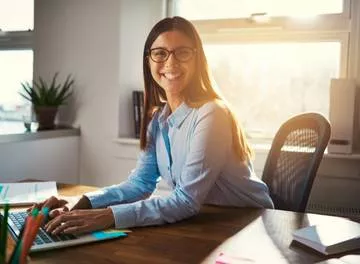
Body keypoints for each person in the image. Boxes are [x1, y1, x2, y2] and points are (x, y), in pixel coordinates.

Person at [30, 16, 274, 235]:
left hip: (252, 225)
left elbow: (186, 200)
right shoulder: (158, 119)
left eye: (182, 53)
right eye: (160, 53)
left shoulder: (213, 113)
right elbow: (140, 184)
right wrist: (81, 202)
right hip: (209, 222)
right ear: (149, 60)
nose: (170, 62)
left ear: (197, 59)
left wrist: (107, 217)